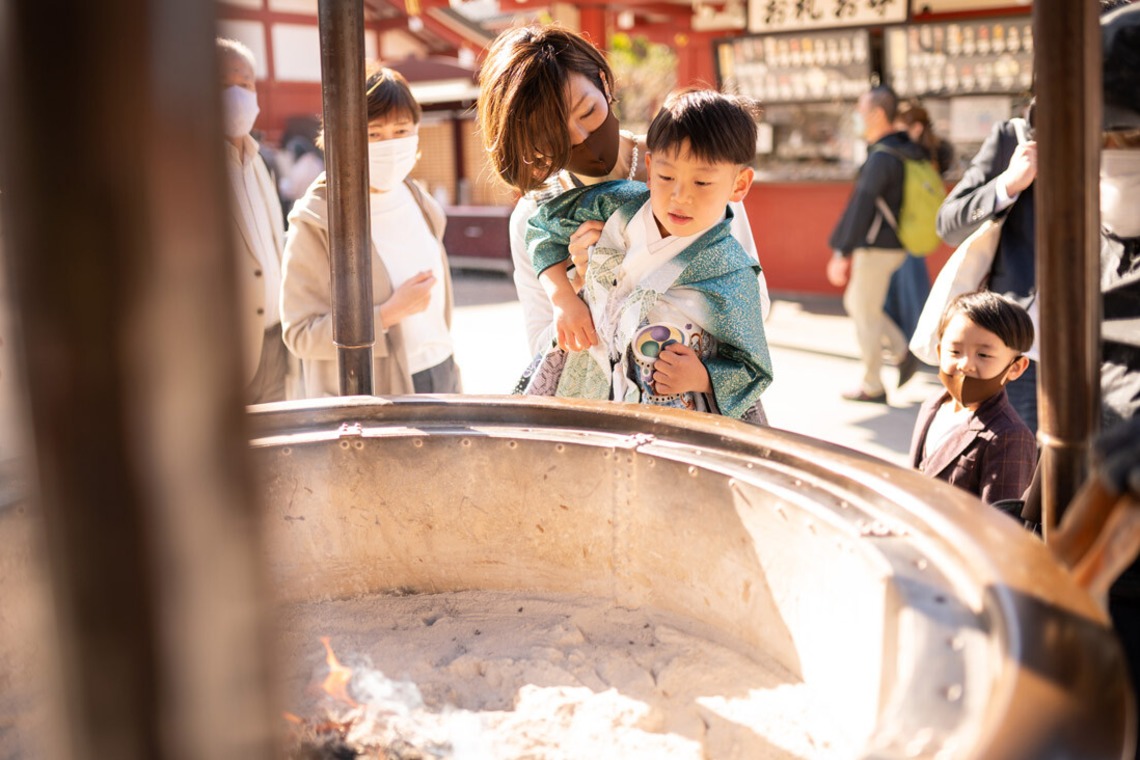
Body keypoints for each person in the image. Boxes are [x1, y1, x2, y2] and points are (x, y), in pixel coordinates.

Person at [476, 25, 770, 358]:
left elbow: (754, 304)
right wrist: (581, 290)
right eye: (552, 135)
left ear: (603, 82)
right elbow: (541, 348)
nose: (581, 136)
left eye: (588, 111)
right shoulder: (536, 216)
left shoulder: (691, 171)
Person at [521, 89, 772, 424]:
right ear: (650, 168)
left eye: (702, 182)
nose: (680, 197)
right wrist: (563, 296)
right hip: (586, 378)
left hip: (675, 405)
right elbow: (542, 228)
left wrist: (702, 377)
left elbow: (753, 366)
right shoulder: (617, 204)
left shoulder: (732, 271)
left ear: (739, 185)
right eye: (667, 177)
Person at [280, 66, 460, 398]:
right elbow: (299, 333)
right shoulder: (318, 219)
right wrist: (387, 314)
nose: (390, 145)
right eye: (374, 133)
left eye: (402, 130)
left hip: (442, 371)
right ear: (343, 137)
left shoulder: (419, 200)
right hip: (377, 392)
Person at [935, 103, 1038, 432]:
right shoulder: (1013, 137)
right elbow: (948, 224)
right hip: (1013, 343)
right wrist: (1006, 184)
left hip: (1106, 340)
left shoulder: (1119, 141)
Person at [826, 85, 924, 404]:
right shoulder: (902, 148)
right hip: (894, 244)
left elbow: (862, 206)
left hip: (877, 248)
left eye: (860, 110)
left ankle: (873, 385)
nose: (857, 117)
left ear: (878, 114)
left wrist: (842, 251)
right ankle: (902, 352)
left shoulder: (882, 156)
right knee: (859, 305)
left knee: (863, 312)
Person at [908, 291, 1036, 505]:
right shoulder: (932, 406)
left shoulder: (1010, 436)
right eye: (955, 351)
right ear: (940, 353)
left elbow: (999, 524)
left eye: (983, 355)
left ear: (1015, 368)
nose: (965, 364)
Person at [217, 38, 291, 404]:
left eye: (245, 84)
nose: (237, 94)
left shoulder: (260, 161)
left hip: (276, 340)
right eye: (223, 84)